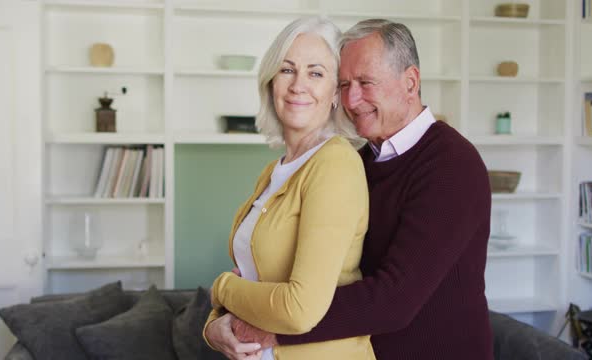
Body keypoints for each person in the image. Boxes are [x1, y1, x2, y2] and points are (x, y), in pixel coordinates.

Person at [206, 18, 494, 360]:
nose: (352, 99)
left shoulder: (451, 165)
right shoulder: (363, 161)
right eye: (344, 83)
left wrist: (264, 324)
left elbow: (394, 299)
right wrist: (218, 323)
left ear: (411, 82)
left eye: (365, 82)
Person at [203, 17, 376, 360]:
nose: (298, 85)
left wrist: (221, 288)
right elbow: (251, 277)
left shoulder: (335, 165)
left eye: (315, 73)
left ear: (335, 93)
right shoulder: (274, 173)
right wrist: (213, 327)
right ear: (270, 83)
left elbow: (300, 309)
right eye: (286, 70)